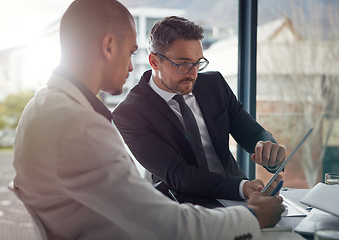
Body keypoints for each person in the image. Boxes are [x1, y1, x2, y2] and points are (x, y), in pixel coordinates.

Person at [12, 1, 284, 239]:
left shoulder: (42, 107)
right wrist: (252, 217)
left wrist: (265, 144)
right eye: (131, 52)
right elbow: (165, 225)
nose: (131, 66)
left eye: (197, 63)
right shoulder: (78, 125)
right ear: (108, 46)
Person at [113, 16, 286, 201]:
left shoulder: (215, 85)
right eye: (184, 64)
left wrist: (268, 147)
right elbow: (178, 174)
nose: (194, 73)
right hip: (183, 207)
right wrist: (241, 187)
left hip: (239, 196)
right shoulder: (130, 113)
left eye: (198, 63)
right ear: (155, 61)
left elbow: (252, 132)